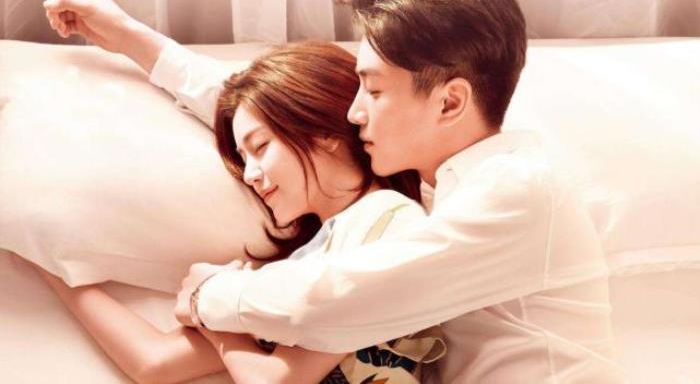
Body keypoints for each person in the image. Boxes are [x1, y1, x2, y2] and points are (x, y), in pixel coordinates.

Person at [44, 0, 626, 382]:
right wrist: (132, 40)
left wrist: (210, 295)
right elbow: (279, 116)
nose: (354, 110)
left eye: (373, 89)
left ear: (449, 102)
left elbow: (334, 298)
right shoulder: (442, 191)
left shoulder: (514, 193)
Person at [19, 41, 445, 383]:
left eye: (260, 147)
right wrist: (43, 257)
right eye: (243, 159)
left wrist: (210, 305)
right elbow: (154, 362)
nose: (251, 175)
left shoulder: (388, 219)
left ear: (322, 131)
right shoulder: (303, 263)